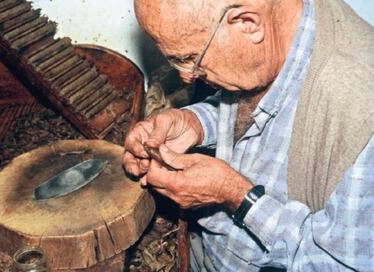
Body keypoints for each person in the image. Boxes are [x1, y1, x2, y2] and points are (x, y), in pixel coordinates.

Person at [123, 0, 374, 271]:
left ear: (248, 23)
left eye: (189, 58)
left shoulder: (361, 113)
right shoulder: (277, 32)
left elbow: (342, 264)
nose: (186, 78)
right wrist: (196, 122)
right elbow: (267, 109)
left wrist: (235, 195)